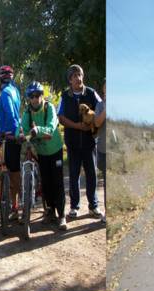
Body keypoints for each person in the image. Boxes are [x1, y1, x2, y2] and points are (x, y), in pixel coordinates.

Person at [57, 64, 103, 220]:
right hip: (73, 142)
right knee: (74, 174)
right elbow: (60, 117)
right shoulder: (65, 96)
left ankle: (94, 206)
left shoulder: (91, 93)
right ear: (70, 80)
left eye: (80, 75)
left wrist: (92, 124)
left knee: (92, 174)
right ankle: (74, 207)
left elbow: (101, 108)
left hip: (90, 142)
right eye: (74, 76)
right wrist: (77, 126)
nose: (78, 78)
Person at [21, 81, 67, 231]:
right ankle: (50, 212)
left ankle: (62, 216)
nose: (35, 99)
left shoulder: (49, 108)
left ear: (42, 95)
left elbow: (51, 128)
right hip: (41, 153)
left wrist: (37, 130)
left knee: (57, 182)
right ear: (28, 98)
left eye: (38, 95)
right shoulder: (28, 111)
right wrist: (19, 134)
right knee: (46, 183)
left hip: (55, 151)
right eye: (32, 96)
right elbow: (23, 128)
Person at [0, 65, 22, 221]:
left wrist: (10, 133)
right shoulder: (15, 91)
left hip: (9, 137)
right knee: (14, 172)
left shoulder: (5, 93)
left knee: (12, 174)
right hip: (15, 134)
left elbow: (11, 116)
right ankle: (15, 205)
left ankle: (16, 207)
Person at [94, 80, 106, 223]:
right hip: (103, 149)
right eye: (104, 91)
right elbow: (97, 123)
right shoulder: (100, 105)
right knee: (106, 184)